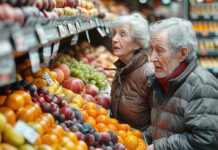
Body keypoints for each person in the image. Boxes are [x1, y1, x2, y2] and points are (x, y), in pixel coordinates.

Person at [145, 17, 218, 150]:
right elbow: (165, 125)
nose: (152, 58)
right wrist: (141, 136)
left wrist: (158, 147)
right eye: (152, 50)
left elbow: (205, 141)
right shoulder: (161, 81)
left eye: (159, 51)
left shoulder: (202, 86)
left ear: (182, 53)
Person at [109, 13, 154, 131]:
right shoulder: (121, 69)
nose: (114, 39)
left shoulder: (149, 75)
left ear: (138, 43)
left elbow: (161, 123)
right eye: (115, 34)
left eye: (122, 35)